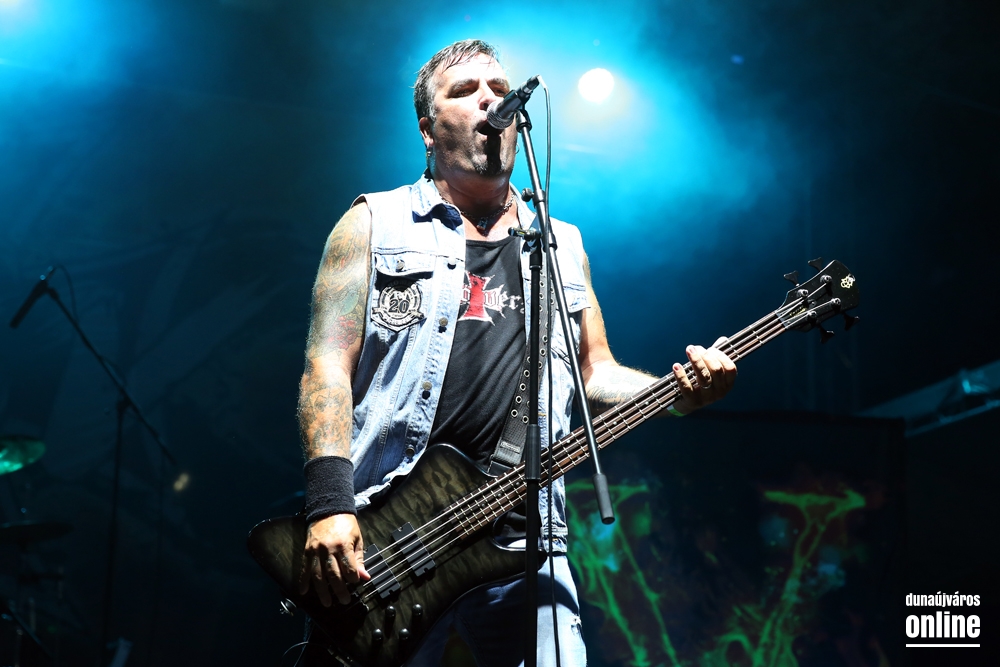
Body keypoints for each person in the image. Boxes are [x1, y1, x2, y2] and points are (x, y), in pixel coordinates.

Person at [295, 39, 737, 667]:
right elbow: (326, 368)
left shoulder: (561, 243)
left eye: (499, 90)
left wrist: (676, 393)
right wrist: (330, 503)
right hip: (392, 537)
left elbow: (595, 372)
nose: (490, 101)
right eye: (465, 91)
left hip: (526, 538)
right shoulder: (374, 224)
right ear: (427, 128)